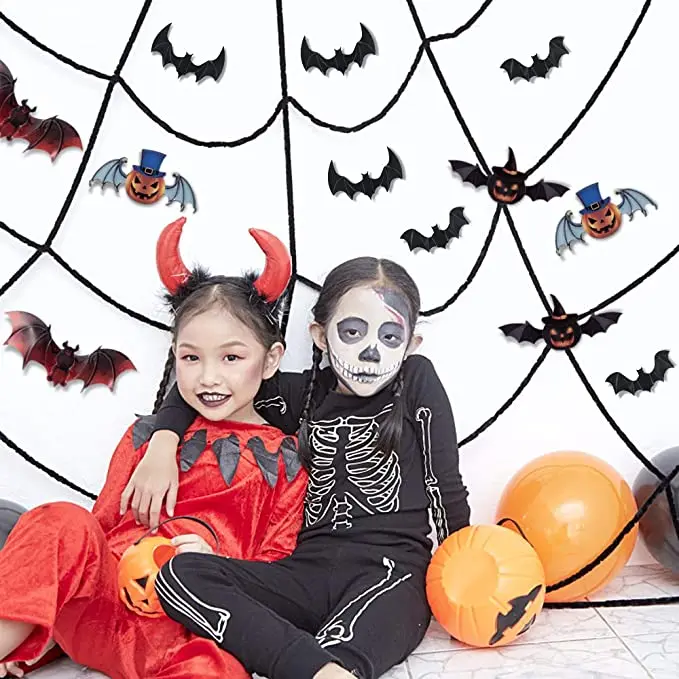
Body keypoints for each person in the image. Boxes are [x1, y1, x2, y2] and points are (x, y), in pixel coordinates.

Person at [136, 248, 471, 679]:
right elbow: (212, 387)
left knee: (351, 643)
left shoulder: (417, 379)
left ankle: (320, 666)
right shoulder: (302, 395)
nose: (371, 352)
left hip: (391, 574)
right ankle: (309, 664)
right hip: (303, 573)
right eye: (353, 331)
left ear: (411, 345)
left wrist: (468, 565)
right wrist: (162, 443)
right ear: (320, 335)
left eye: (390, 337)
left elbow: (445, 487)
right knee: (178, 575)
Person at [0, 219, 307, 679]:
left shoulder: (287, 462)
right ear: (175, 353)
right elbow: (95, 534)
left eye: (231, 357)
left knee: (220, 669)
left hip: (189, 629)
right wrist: (38, 640)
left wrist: (221, 567)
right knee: (60, 518)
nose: (208, 377)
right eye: (191, 357)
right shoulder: (146, 437)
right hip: (106, 610)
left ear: (271, 360)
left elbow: (277, 569)